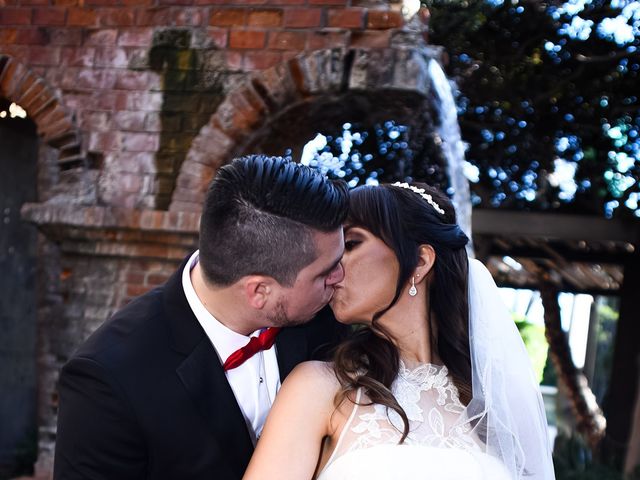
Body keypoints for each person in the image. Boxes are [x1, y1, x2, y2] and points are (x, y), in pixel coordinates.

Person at [53, 155, 350, 480]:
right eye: (325, 273)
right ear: (259, 292)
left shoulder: (325, 317)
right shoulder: (108, 380)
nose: (341, 276)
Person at [243, 181, 555, 480]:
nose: (333, 269)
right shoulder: (319, 386)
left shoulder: (491, 401)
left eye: (350, 245)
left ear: (420, 261)